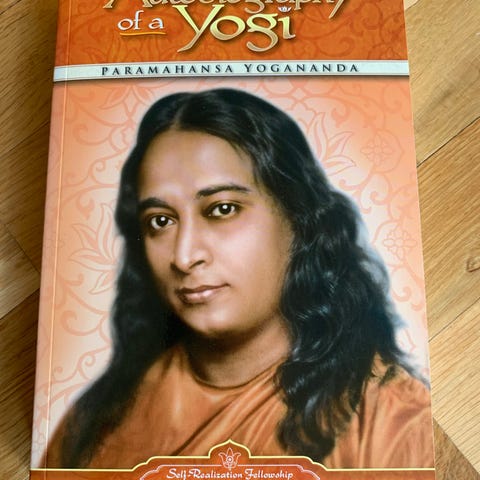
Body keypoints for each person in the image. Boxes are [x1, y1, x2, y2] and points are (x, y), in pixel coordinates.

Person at [44, 88, 434, 469]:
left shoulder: (389, 420)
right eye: (160, 221)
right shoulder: (98, 420)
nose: (184, 256)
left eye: (222, 209)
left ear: (297, 218)